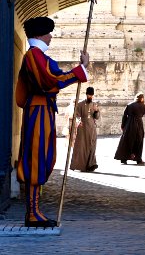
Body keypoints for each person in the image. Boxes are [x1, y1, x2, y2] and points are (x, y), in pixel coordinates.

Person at [15, 16, 89, 227]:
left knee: (43, 157)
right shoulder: (33, 55)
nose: (50, 37)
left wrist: (80, 68)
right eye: (48, 33)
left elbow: (54, 76)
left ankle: (34, 210)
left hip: (43, 111)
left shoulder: (37, 55)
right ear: (39, 34)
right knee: (36, 159)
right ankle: (32, 213)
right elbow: (50, 80)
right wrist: (79, 71)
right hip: (38, 111)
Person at [70, 87, 100, 172]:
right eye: (89, 95)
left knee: (92, 146)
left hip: (92, 128)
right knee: (81, 147)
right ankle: (80, 165)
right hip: (83, 128)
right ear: (86, 94)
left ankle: (91, 164)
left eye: (91, 95)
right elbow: (76, 115)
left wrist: (97, 111)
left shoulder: (94, 104)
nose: (90, 96)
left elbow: (97, 117)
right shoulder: (80, 104)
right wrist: (78, 121)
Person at [114, 92, 145, 165]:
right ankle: (138, 159)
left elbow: (124, 116)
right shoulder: (144, 106)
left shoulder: (129, 105)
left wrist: (123, 125)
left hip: (129, 124)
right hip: (139, 124)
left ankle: (124, 158)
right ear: (142, 99)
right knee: (139, 141)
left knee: (126, 141)